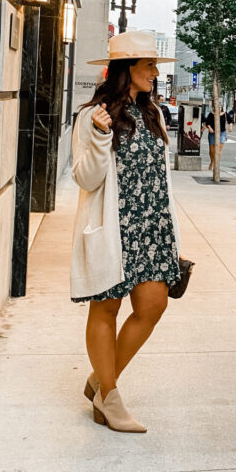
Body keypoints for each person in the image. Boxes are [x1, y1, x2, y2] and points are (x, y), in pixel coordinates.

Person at [71, 30, 182, 433]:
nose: (155, 72)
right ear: (127, 69)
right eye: (149, 65)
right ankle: (110, 398)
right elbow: (85, 178)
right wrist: (101, 136)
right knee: (107, 309)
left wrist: (171, 231)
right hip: (115, 226)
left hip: (153, 227)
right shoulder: (92, 116)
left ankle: (101, 379)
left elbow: (160, 179)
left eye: (155, 65)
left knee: (153, 306)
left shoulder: (155, 115)